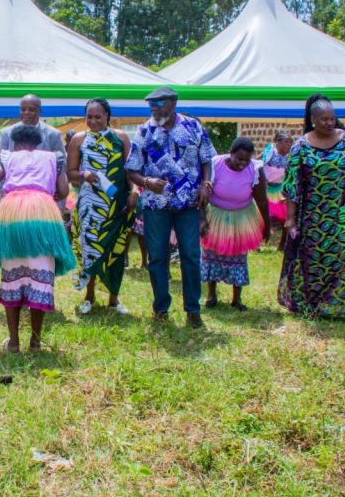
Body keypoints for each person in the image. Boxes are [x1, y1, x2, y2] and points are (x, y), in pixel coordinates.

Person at [0, 124, 75, 352]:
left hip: (12, 213)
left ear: (16, 143)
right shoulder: (53, 157)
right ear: (38, 143)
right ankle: (36, 342)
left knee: (12, 275)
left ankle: (14, 342)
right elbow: (63, 190)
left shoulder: (7, 156)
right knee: (42, 275)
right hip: (43, 212)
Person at [278, 94, 345, 324]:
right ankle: (314, 305)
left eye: (332, 118)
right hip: (312, 215)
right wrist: (290, 219)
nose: (330, 123)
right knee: (314, 260)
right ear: (313, 120)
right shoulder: (300, 146)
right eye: (324, 119)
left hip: (343, 211)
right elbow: (292, 185)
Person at [125, 86, 214, 328]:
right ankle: (161, 308)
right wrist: (146, 182)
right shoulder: (144, 131)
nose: (154, 108)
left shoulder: (193, 127)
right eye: (151, 104)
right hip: (156, 205)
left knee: (191, 256)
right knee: (157, 257)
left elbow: (206, 160)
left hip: (188, 203)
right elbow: (131, 169)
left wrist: (206, 184)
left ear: (173, 103)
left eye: (159, 103)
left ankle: (193, 310)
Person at [67, 98, 136, 315]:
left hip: (117, 204)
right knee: (90, 248)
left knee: (116, 249)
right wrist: (84, 174)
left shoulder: (121, 137)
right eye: (89, 117)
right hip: (90, 205)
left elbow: (131, 169)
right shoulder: (79, 139)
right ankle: (89, 296)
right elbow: (70, 173)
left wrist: (134, 192)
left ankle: (114, 299)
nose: (93, 121)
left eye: (98, 116)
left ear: (107, 116)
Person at [200, 137, 271, 311]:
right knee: (211, 254)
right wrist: (202, 219)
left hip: (241, 217)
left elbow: (262, 200)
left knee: (239, 256)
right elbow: (203, 194)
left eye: (247, 160)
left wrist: (267, 225)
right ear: (231, 153)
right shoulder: (214, 164)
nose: (243, 163)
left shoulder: (255, 169)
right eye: (239, 159)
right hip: (215, 215)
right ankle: (211, 295)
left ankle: (237, 298)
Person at [0, 94, 67, 171]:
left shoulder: (53, 134)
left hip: (44, 177)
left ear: (40, 111)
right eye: (23, 109)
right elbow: (1, 164)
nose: (26, 112)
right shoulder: (6, 133)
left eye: (31, 109)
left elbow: (62, 164)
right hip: (14, 177)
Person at [260, 131, 293, 249]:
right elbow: (256, 164)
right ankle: (258, 243)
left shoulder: (290, 158)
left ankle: (282, 245)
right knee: (260, 216)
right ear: (278, 143)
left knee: (286, 217)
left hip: (280, 190)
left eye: (290, 142)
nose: (289, 144)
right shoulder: (270, 153)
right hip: (265, 188)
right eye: (286, 142)